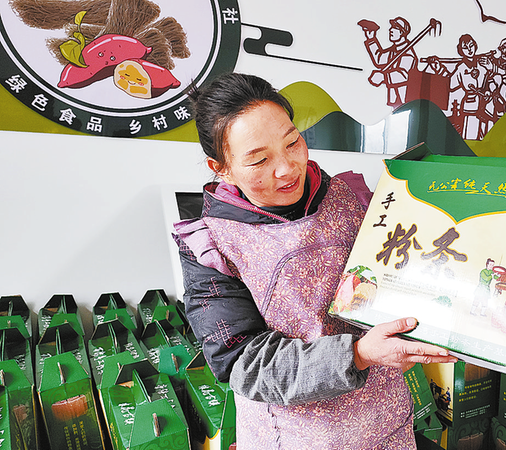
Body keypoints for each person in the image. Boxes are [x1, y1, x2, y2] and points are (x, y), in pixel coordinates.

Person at [172, 72, 456, 449]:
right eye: (259, 160)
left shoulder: (351, 197)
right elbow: (245, 364)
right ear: (221, 168)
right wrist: (358, 354)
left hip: (388, 425)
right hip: (294, 438)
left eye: (293, 142)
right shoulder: (212, 245)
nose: (287, 168)